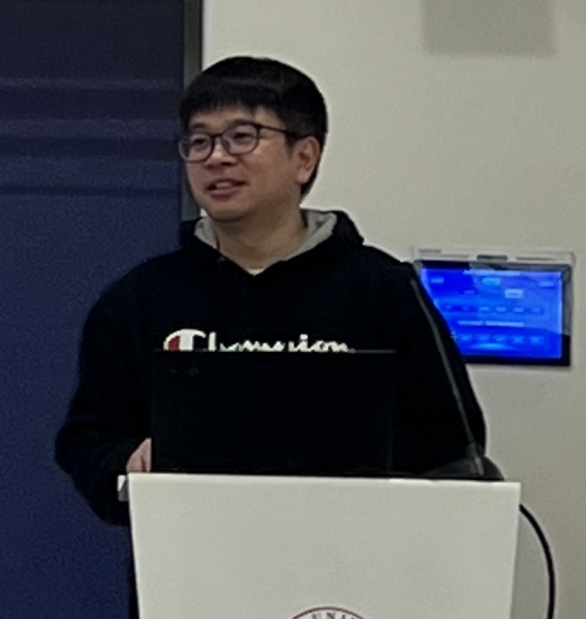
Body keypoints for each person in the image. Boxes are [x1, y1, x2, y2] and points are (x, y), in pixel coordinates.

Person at [55, 55, 486, 525]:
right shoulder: (140, 298)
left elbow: (452, 444)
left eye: (242, 137)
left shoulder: (384, 288)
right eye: (199, 141)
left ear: (305, 157)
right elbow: (88, 442)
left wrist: (320, 459)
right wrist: (129, 461)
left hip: (354, 547)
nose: (217, 157)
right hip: (191, 549)